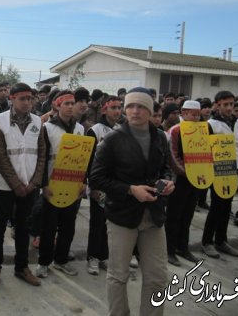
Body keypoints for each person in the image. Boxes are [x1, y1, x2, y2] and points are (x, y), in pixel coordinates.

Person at [89, 87, 174, 316]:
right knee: (118, 275)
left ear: (150, 110)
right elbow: (96, 177)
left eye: (141, 106)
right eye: (130, 106)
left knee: (157, 277)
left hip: (153, 214)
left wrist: (167, 181)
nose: (135, 111)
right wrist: (129, 190)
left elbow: (165, 167)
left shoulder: (160, 137)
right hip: (122, 216)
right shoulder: (113, 139)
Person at [0, 83, 46, 291]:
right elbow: (0, 155)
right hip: (5, 186)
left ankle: (22, 267)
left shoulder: (38, 121)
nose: (27, 102)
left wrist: (35, 182)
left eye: (30, 99)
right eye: (23, 99)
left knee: (23, 227)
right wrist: (16, 184)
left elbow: (42, 154)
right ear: (12, 99)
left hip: (29, 186)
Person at [35, 91, 85, 279]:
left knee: (68, 226)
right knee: (49, 227)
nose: (71, 106)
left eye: (73, 103)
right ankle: (43, 262)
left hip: (73, 185)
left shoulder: (80, 128)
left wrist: (84, 182)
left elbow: (85, 159)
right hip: (52, 185)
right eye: (66, 103)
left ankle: (61, 260)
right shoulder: (47, 128)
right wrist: (44, 185)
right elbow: (41, 158)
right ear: (57, 106)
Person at [201, 90, 238, 258]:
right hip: (217, 171)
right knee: (217, 207)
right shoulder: (211, 124)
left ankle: (221, 240)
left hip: (233, 169)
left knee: (227, 207)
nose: (229, 108)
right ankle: (207, 242)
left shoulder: (236, 122)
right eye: (225, 104)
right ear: (217, 105)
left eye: (231, 104)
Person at [85, 95, 122, 275]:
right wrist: (93, 186)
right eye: (113, 107)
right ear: (104, 109)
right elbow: (89, 161)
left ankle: (104, 256)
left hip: (115, 185)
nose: (117, 111)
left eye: (119, 107)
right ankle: (92, 257)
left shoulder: (122, 130)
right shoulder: (94, 131)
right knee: (97, 223)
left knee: (110, 223)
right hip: (99, 184)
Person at [165, 100, 205, 266]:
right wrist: (185, 171)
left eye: (198, 114)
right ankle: (169, 250)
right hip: (180, 179)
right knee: (174, 215)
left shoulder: (201, 130)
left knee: (188, 214)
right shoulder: (175, 130)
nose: (195, 117)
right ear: (184, 112)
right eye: (192, 114)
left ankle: (183, 247)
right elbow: (172, 155)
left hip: (196, 178)